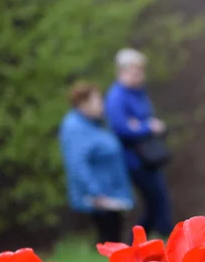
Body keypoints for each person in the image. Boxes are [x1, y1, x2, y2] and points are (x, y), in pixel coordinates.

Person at [105, 49, 173, 238]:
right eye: (136, 71)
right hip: (134, 159)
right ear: (123, 71)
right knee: (156, 202)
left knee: (159, 201)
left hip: (149, 156)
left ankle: (148, 242)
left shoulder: (138, 93)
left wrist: (141, 125)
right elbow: (122, 128)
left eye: (141, 71)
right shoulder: (117, 96)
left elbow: (140, 119)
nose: (140, 75)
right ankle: (146, 241)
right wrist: (146, 127)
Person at [59, 82, 134, 243]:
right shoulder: (75, 127)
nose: (102, 106)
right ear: (83, 104)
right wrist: (95, 192)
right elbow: (77, 163)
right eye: (98, 102)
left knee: (116, 239)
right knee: (109, 242)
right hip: (101, 197)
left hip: (111, 193)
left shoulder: (94, 123)